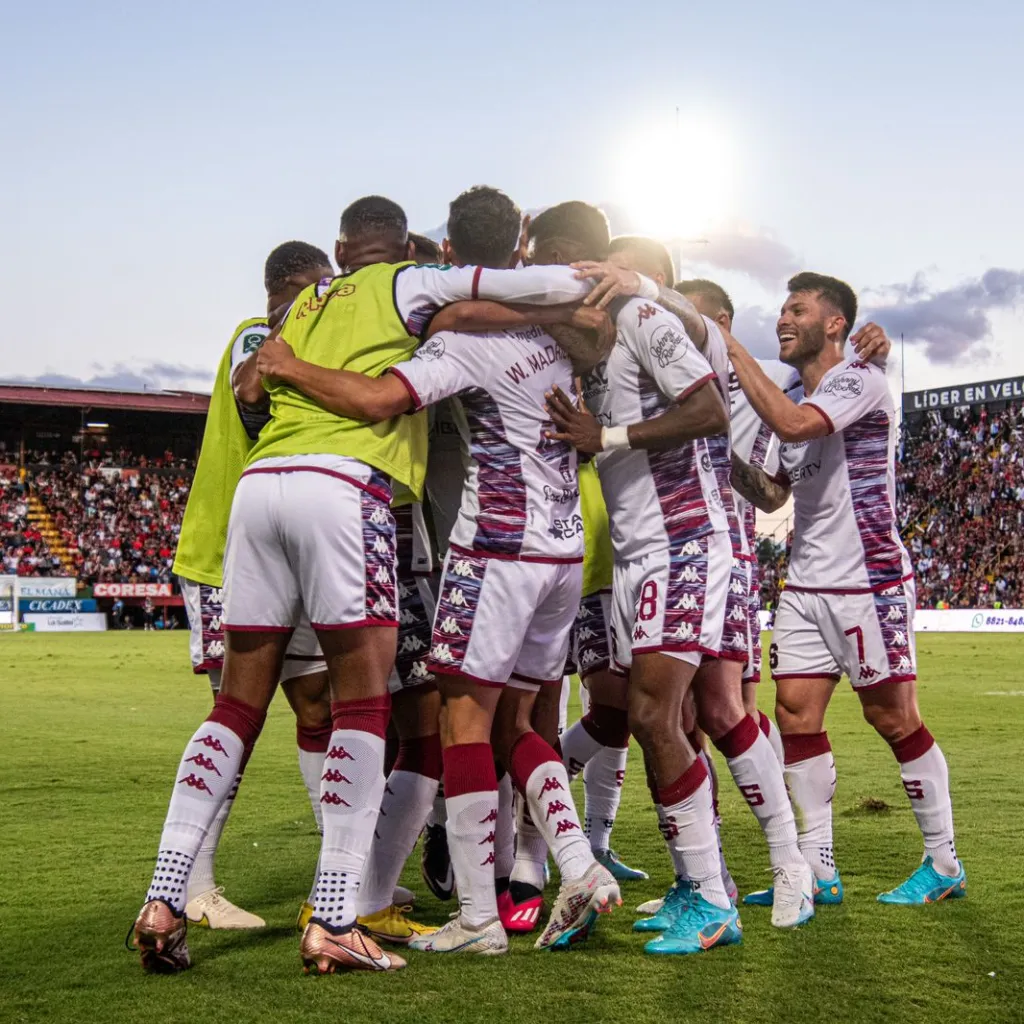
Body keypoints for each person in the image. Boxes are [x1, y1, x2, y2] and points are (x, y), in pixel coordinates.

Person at [133, 193, 619, 977]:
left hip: (259, 493)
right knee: (365, 704)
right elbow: (531, 295)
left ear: (340, 245)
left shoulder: (298, 308)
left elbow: (254, 389)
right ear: (403, 249)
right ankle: (334, 915)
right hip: (346, 487)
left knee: (235, 704)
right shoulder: (410, 285)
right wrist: (605, 277)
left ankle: (161, 897)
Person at [547, 230, 815, 949]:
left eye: (619, 273)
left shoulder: (656, 318)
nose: (603, 283)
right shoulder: (609, 342)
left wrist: (601, 438)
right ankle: (706, 880)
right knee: (674, 718)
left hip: (689, 543)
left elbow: (712, 414)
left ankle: (748, 880)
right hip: (644, 553)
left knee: (683, 713)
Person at [725, 271, 965, 906]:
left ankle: (943, 863)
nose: (783, 318)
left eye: (797, 310)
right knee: (796, 715)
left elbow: (801, 426)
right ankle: (818, 868)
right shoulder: (786, 398)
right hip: (805, 582)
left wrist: (729, 346)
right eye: (779, 309)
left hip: (867, 579)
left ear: (834, 324)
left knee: (892, 717)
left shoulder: (858, 378)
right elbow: (771, 489)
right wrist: (718, 456)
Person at [159, 243, 334, 934]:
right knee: (236, 710)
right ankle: (192, 886)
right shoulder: (258, 335)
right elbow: (253, 395)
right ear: (292, 287)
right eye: (322, 288)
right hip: (225, 556)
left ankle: (340, 872)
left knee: (316, 705)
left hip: (288, 559)